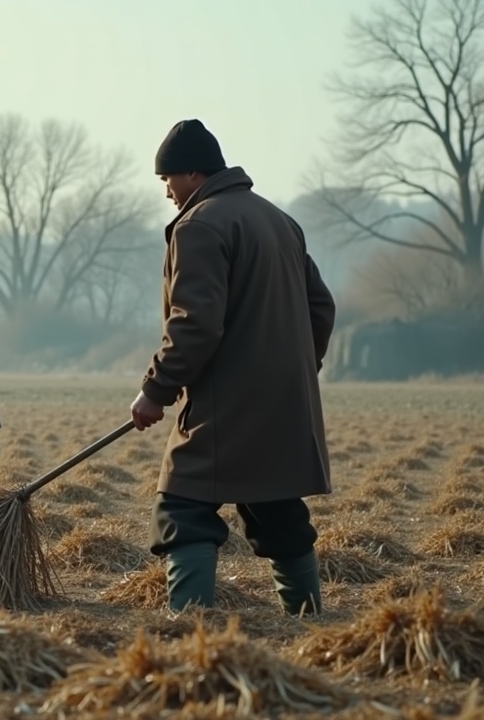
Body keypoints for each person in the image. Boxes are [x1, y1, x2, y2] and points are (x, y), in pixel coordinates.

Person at [129, 119, 336, 615]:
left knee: (182, 504)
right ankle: (306, 618)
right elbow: (321, 307)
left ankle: (188, 623)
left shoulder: (199, 225)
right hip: (285, 400)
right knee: (275, 501)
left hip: (229, 402)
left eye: (168, 181)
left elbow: (195, 325)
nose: (168, 194)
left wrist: (156, 390)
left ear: (194, 174)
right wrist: (297, 367)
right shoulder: (279, 220)